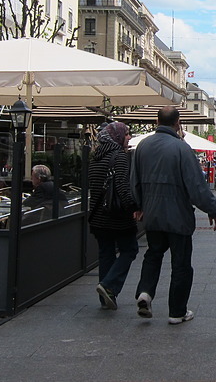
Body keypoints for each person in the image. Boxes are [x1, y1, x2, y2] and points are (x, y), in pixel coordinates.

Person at [131, 107, 216, 323]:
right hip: (178, 216)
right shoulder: (182, 149)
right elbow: (196, 185)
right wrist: (211, 208)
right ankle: (177, 311)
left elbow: (133, 179)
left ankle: (145, 291)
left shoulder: (142, 146)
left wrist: (138, 205)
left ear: (156, 120)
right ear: (178, 122)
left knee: (153, 255)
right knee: (181, 264)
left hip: (152, 215)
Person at [88, 122, 138, 311]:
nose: (129, 138)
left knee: (106, 255)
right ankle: (109, 285)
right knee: (130, 249)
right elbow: (122, 188)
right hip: (117, 216)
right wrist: (135, 206)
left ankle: (107, 298)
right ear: (117, 137)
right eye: (126, 134)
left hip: (98, 217)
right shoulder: (119, 156)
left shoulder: (96, 157)